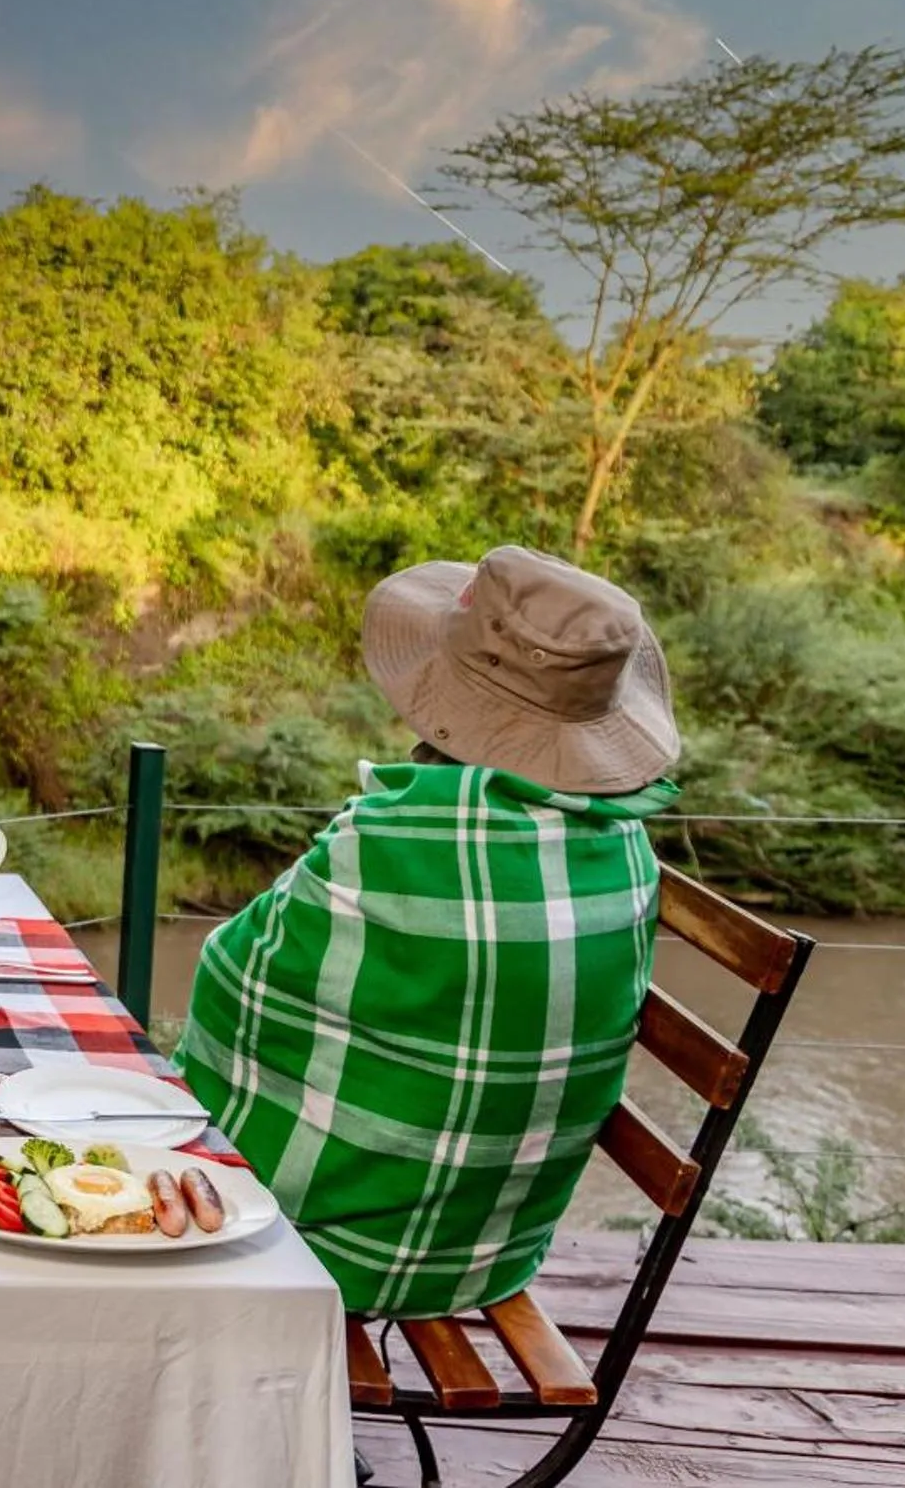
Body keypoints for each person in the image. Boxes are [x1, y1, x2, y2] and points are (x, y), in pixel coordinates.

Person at [177, 546, 681, 1321]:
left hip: (317, 1252)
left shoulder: (386, 836)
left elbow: (228, 980)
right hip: (485, 1257)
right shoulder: (624, 849)